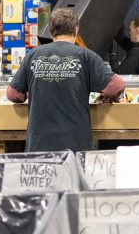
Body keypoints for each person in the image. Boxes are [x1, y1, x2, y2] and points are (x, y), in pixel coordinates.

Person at [7, 8, 125, 151]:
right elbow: (116, 86)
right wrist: (105, 95)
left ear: (51, 31)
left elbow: (13, 94)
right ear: (76, 30)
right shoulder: (86, 56)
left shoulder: (33, 55)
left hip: (39, 146)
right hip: (75, 146)